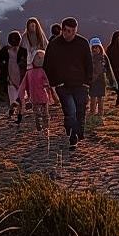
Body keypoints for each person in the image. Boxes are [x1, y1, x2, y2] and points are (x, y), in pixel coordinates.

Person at [43, 16, 92, 147]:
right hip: (63, 85)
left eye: (70, 31)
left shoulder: (83, 43)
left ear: (75, 30)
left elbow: (89, 63)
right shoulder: (54, 44)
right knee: (70, 110)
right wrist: (54, 83)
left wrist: (87, 82)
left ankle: (78, 131)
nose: (67, 33)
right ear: (62, 29)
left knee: (80, 110)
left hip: (80, 84)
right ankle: (72, 135)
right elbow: (47, 65)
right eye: (65, 30)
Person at [15, 50, 53, 132]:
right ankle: (45, 127)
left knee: (38, 113)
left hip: (35, 96)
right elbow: (47, 82)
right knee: (44, 112)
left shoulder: (29, 72)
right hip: (42, 95)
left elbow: (23, 86)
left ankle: (40, 127)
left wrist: (20, 95)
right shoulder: (42, 71)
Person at [0, 30, 29, 124]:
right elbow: (2, 65)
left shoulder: (23, 51)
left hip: (20, 76)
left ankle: (18, 116)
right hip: (11, 76)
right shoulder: (5, 51)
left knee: (19, 98)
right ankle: (13, 110)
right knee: (15, 98)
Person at [88, 37, 117, 123]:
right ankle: (92, 112)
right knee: (92, 98)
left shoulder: (104, 58)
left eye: (97, 47)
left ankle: (100, 113)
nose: (95, 49)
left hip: (101, 80)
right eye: (93, 47)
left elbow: (109, 69)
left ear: (100, 47)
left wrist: (111, 80)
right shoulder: (89, 58)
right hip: (92, 81)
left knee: (100, 97)